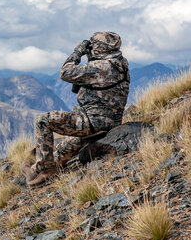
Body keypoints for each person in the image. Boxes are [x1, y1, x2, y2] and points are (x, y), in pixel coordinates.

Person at [21, 31, 130, 188]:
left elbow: (65, 73)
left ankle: (44, 172)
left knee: (43, 121)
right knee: (59, 152)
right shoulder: (120, 63)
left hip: (91, 122)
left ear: (100, 47)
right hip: (110, 122)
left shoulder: (100, 67)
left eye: (94, 44)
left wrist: (77, 52)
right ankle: (36, 169)